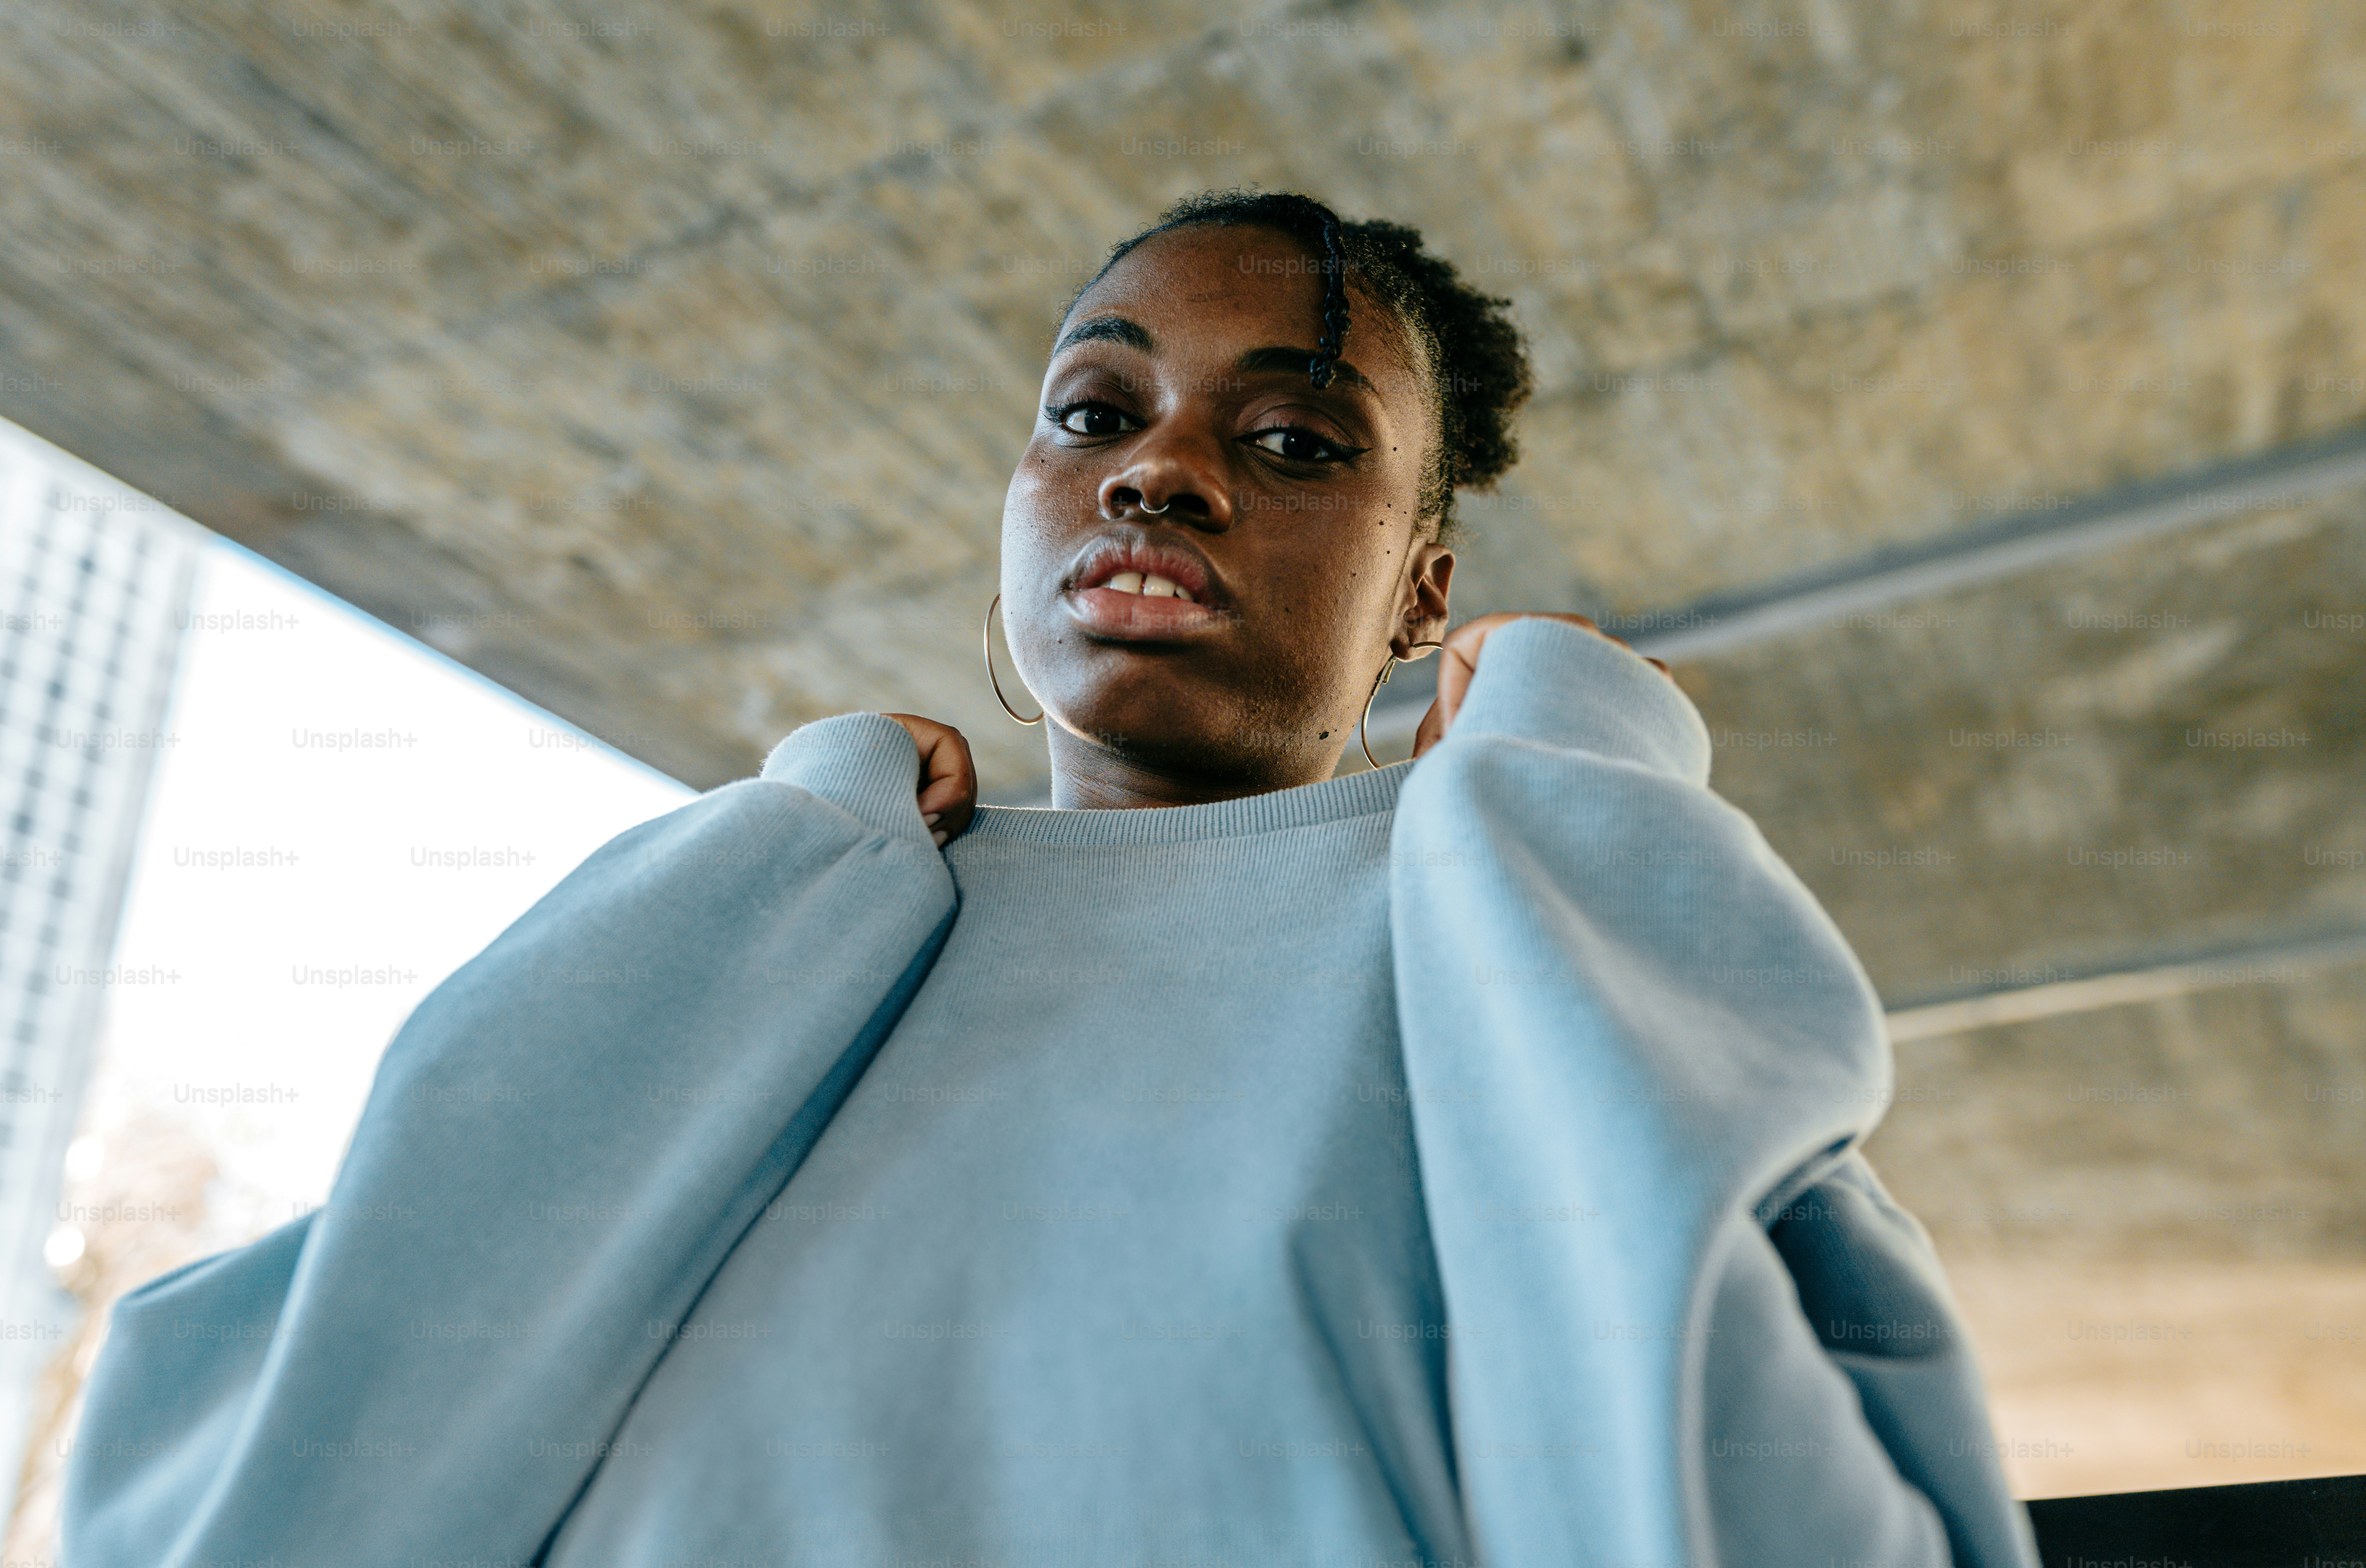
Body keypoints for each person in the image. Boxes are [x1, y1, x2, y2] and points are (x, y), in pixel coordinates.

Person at [64, 190, 2039, 1568]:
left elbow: (1759, 1515)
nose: (1157, 472)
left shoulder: (1512, 927)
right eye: (1095, 414)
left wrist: (1576, 799)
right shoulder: (794, 922)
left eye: (1289, 438)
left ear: (1427, 586)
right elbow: (276, 1489)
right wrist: (775, 859)